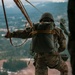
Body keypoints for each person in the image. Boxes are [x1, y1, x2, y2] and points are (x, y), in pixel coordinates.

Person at [68, 0, 75, 75]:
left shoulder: (36, 29)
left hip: (39, 58)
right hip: (53, 57)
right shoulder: (56, 31)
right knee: (64, 69)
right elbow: (62, 46)